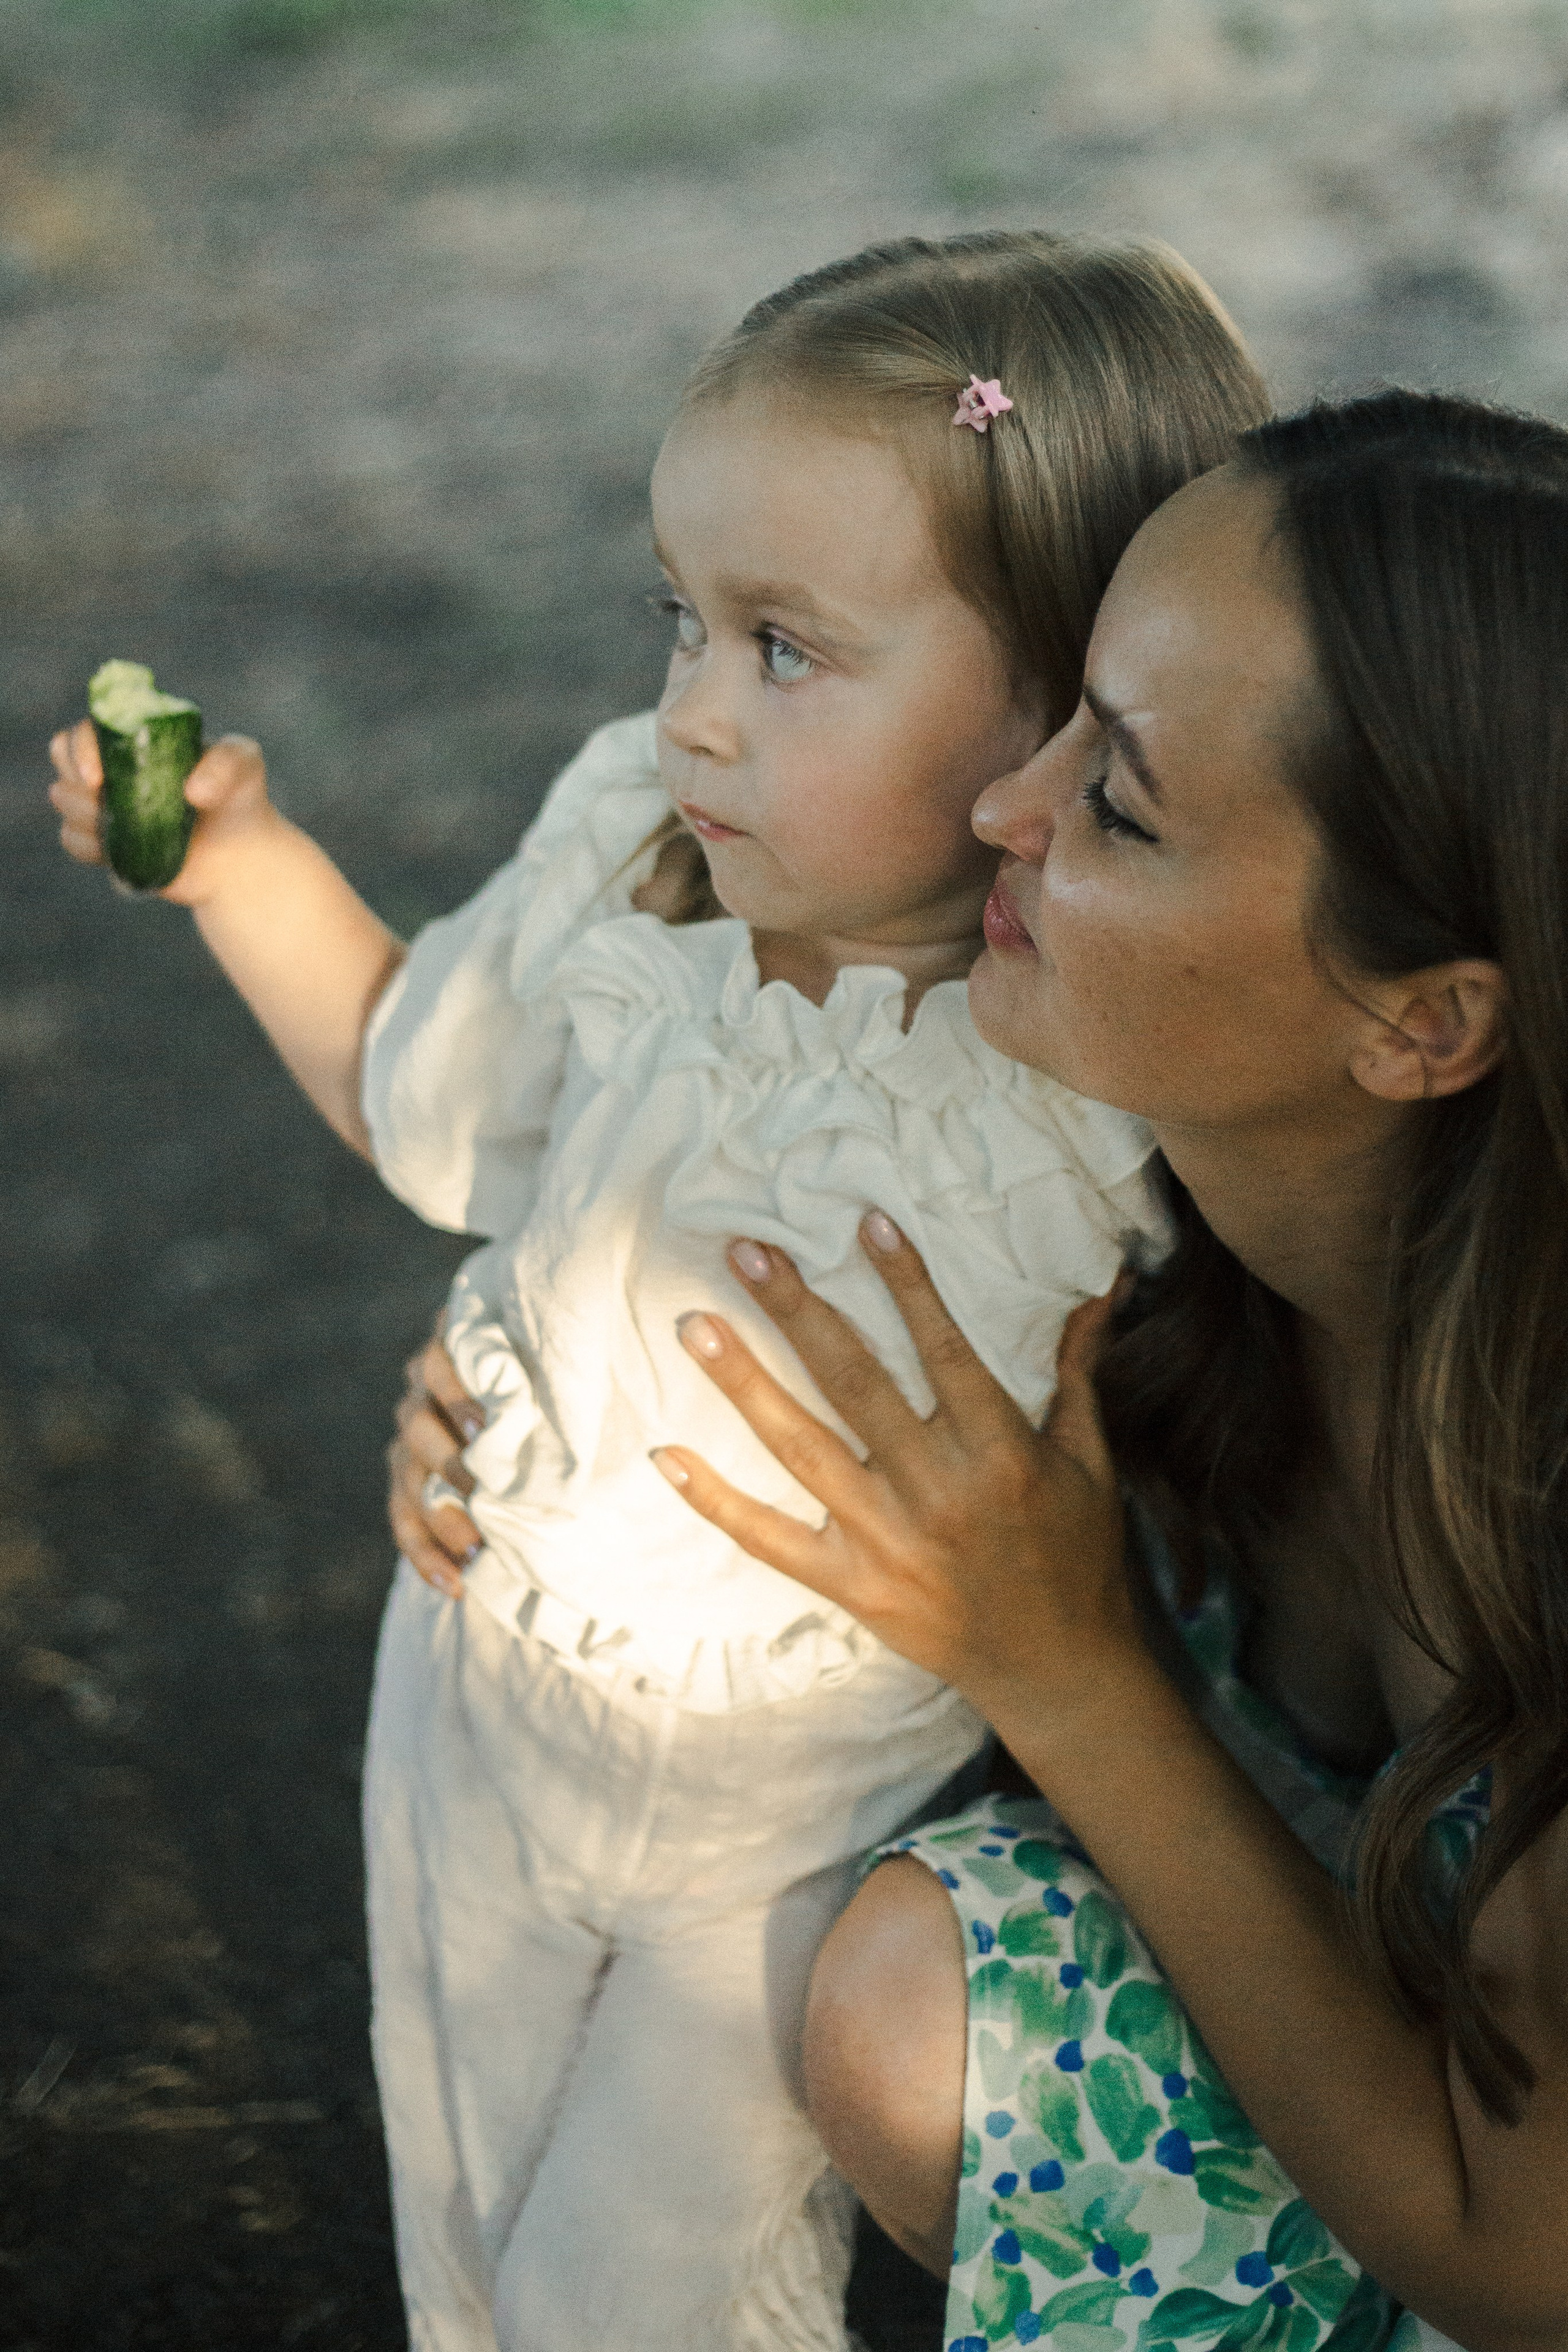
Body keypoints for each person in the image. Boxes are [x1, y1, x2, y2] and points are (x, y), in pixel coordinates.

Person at [48, 233, 1272, 2352]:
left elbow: (1241, 1457)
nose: (691, 706)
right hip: (476, 1706)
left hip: (796, 1822)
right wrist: (241, 870)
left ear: (1065, 701)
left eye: (787, 648)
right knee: (473, 2229)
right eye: (681, 620)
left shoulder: (1110, 1051)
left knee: (641, 2288)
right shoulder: (644, 866)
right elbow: (422, 1097)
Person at [626, 390, 1568, 2352]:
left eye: (1119, 804)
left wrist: (1068, 1667)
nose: (1003, 807)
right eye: (1061, 707)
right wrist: (501, 1413)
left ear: (1425, 1022)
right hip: (1384, 2003)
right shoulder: (1110, 1192)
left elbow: (1525, 2271)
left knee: (911, 2010)